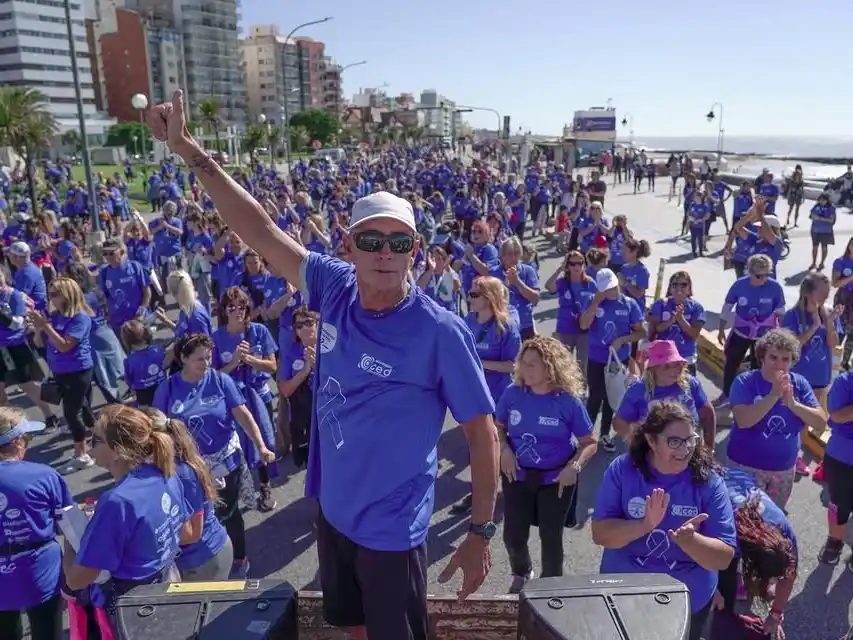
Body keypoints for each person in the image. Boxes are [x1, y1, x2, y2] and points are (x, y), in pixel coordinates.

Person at [146, 90, 499, 640]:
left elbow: (482, 434)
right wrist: (189, 150)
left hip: (393, 531)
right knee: (352, 629)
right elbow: (259, 229)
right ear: (349, 246)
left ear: (416, 250)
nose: (385, 253)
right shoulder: (333, 285)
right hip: (334, 514)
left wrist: (479, 532)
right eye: (372, 240)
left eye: (399, 242)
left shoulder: (440, 331)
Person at [591, 401, 737, 640]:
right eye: (674, 441)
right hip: (625, 593)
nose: (685, 449)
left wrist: (691, 541)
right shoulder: (623, 470)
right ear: (651, 440)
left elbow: (723, 558)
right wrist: (643, 526)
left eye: (690, 439)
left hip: (687, 600)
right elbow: (601, 534)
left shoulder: (709, 481)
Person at [153, 332, 275, 580]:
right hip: (188, 468)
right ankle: (208, 562)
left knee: (228, 513)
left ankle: (239, 558)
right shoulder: (168, 388)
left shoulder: (220, 380)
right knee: (197, 517)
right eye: (200, 359)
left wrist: (261, 445)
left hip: (224, 463)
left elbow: (243, 415)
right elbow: (156, 428)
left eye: (209, 357)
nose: (206, 363)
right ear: (183, 358)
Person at [62, 405, 191, 621]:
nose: (90, 447)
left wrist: (69, 538)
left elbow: (76, 580)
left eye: (96, 440)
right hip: (169, 583)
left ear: (118, 451)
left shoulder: (117, 501)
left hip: (135, 606)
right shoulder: (166, 473)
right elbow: (182, 532)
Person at [496, 336, 597, 593]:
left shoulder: (568, 401)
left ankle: (551, 587)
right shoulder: (512, 394)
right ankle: (522, 572)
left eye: (532, 364)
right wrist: (504, 449)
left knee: (550, 538)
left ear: (550, 367)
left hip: (556, 479)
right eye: (523, 362)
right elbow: (498, 427)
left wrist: (574, 468)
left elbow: (589, 442)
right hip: (517, 475)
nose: (525, 369)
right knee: (513, 535)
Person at [727, 328, 826, 509]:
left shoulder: (800, 384)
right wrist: (773, 395)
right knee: (742, 518)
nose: (779, 364)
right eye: (773, 357)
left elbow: (820, 422)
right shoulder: (745, 381)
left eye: (785, 359)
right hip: (745, 467)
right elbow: (743, 421)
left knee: (772, 520)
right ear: (762, 357)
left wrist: (793, 404)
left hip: (783, 471)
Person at [0, 407, 72, 640]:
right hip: (39, 570)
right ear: (18, 441)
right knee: (47, 631)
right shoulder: (44, 475)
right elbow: (68, 524)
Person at [141, 407, 234, 581]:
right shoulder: (165, 468)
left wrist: (148, 539)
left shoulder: (181, 473)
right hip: (197, 559)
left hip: (206, 559)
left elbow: (193, 533)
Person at [714, 466, 797, 640]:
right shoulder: (725, 532)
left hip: (738, 483)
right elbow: (696, 552)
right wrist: (712, 590)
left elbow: (790, 575)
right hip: (716, 485)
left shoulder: (786, 534)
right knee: (718, 593)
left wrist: (775, 615)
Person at [28, 277, 96, 470]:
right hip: (60, 370)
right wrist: (39, 329)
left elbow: (65, 346)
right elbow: (40, 343)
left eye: (55, 294)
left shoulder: (80, 318)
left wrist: (46, 326)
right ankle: (100, 434)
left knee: (71, 413)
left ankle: (82, 454)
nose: (51, 298)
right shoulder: (56, 315)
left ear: (67, 295)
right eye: (50, 294)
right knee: (83, 406)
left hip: (78, 370)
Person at [579, 268, 645, 453]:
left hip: (618, 360)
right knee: (595, 396)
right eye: (606, 289)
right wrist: (595, 303)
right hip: (596, 359)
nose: (611, 291)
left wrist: (622, 340)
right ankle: (587, 435)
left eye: (613, 287)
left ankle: (605, 434)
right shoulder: (593, 301)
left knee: (612, 397)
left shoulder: (629, 304)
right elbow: (583, 325)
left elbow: (641, 332)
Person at [614, 340, 716, 449]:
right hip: (653, 454)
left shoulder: (690, 384)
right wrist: (634, 434)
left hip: (690, 451)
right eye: (667, 366)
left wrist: (709, 448)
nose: (674, 370)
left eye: (677, 364)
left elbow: (708, 414)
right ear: (653, 369)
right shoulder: (638, 390)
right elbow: (618, 423)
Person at [715, 254, 786, 408]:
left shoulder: (775, 287)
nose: (764, 279)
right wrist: (721, 329)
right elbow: (727, 308)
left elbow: (781, 311)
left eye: (767, 275)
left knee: (758, 367)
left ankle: (754, 398)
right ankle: (727, 394)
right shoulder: (739, 285)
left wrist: (780, 335)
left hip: (764, 336)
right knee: (731, 363)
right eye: (759, 276)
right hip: (741, 332)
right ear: (749, 271)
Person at [818, 370, 853, 565]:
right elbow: (836, 415)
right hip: (842, 456)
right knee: (838, 505)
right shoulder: (845, 382)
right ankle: (834, 542)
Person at [544, 250, 596, 374]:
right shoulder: (562, 282)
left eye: (580, 263)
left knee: (582, 365)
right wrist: (559, 270)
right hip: (565, 328)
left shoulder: (590, 283)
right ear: (567, 266)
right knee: (563, 364)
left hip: (584, 329)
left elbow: (598, 303)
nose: (577, 267)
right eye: (573, 264)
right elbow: (549, 286)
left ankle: (582, 386)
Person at [648, 271, 706, 375]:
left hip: (686, 358)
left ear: (689, 289)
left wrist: (681, 319)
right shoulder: (661, 304)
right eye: (675, 285)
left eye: (683, 285)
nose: (679, 288)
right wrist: (671, 320)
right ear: (670, 288)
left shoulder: (696, 308)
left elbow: (694, 334)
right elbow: (656, 329)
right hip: (664, 358)